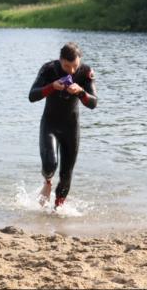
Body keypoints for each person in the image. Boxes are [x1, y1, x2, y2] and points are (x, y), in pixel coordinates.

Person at [28, 42, 98, 208]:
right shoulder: (49, 69)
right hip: (50, 125)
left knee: (66, 175)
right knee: (50, 164)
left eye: (75, 66)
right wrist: (52, 87)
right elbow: (32, 96)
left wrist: (81, 91)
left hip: (71, 128)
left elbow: (94, 103)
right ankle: (47, 182)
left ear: (79, 61)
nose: (71, 71)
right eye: (67, 66)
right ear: (60, 60)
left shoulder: (86, 71)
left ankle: (57, 210)